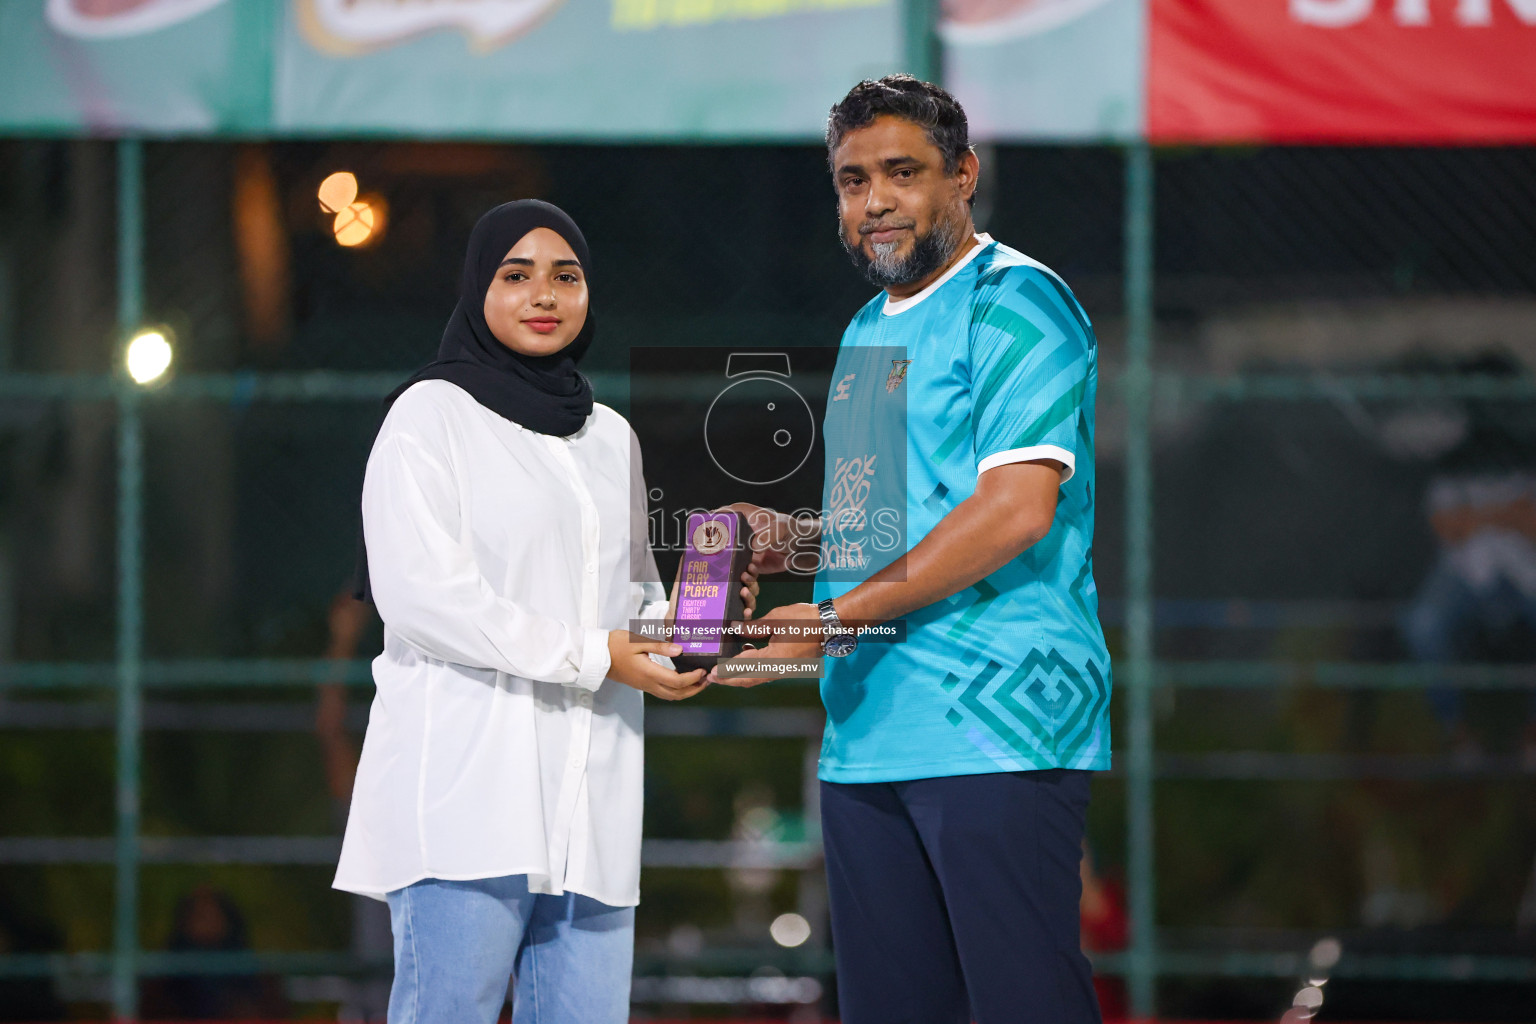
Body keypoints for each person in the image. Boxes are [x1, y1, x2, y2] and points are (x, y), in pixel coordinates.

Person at [713, 76, 1110, 1024]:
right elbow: (886, 531)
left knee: (1024, 1006)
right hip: (866, 736)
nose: (875, 201)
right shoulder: (865, 331)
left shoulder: (1019, 301)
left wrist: (829, 617)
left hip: (999, 729)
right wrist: (791, 547)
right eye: (853, 181)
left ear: (962, 176)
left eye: (902, 172)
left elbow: (1014, 512)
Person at [333, 200, 758, 1024]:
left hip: (590, 805)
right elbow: (424, 598)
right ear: (476, 289)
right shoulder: (430, 415)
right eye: (516, 275)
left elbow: (632, 598)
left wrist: (698, 635)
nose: (545, 295)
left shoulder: (610, 438)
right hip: (467, 799)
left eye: (566, 277)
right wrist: (601, 652)